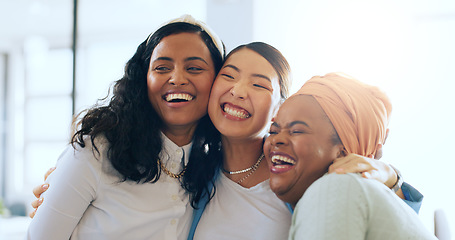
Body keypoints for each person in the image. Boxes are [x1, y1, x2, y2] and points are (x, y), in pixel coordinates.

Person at [30, 41, 423, 239]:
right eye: (229, 75)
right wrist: (67, 195)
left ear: (280, 107)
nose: (237, 90)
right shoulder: (190, 174)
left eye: (257, 84)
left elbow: (371, 215)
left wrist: (389, 176)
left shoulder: (299, 180)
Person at [26, 15, 224, 240]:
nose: (177, 78)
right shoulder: (97, 151)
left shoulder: (212, 166)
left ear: (218, 82)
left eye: (194, 68)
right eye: (162, 68)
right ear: (143, 79)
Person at [264, 73, 436, 239]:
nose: (276, 139)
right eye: (273, 131)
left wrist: (393, 179)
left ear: (344, 153)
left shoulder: (333, 187)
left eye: (297, 131)